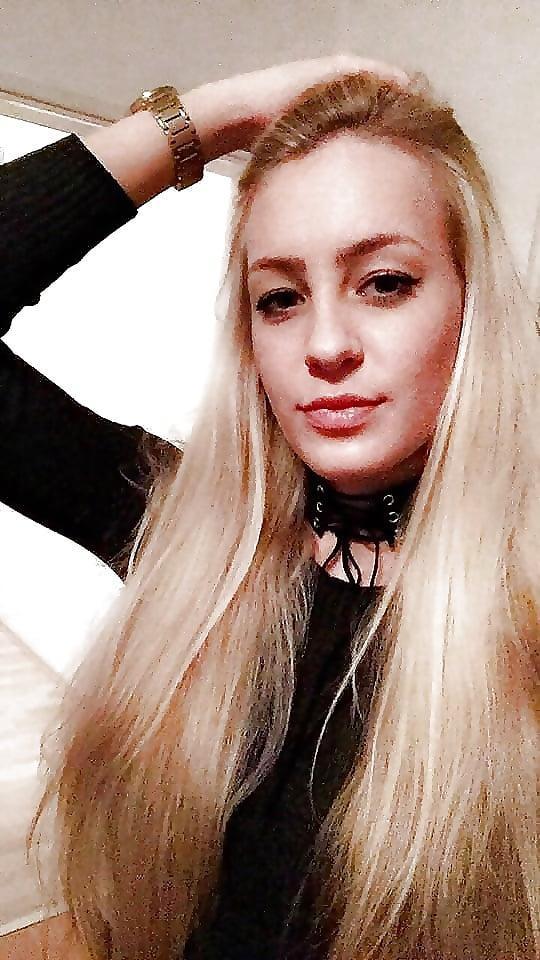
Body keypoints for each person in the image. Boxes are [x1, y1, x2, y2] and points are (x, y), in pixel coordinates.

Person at [0, 54, 537, 960]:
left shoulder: (523, 607)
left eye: (385, 282)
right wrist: (209, 121)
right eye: (280, 298)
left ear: (471, 306)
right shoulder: (197, 541)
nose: (326, 345)